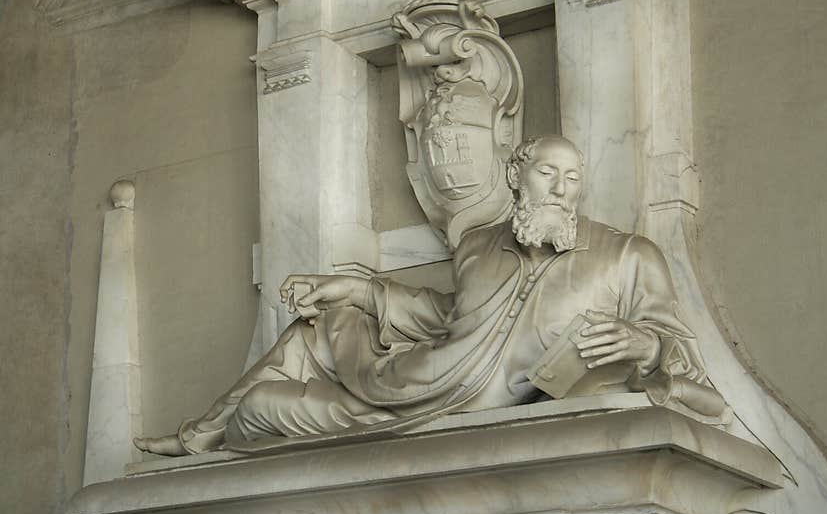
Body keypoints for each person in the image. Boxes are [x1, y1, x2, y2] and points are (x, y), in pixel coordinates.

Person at [134, 135, 728, 456]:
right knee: (315, 327)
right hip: (422, 381)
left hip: (475, 408)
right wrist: (356, 288)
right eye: (548, 174)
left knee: (263, 408)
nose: (562, 190)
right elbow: (446, 317)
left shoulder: (627, 254)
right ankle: (198, 435)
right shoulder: (479, 247)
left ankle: (219, 431)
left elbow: (684, 362)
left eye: (573, 178)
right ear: (517, 175)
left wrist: (643, 345)